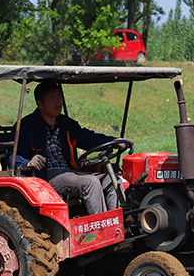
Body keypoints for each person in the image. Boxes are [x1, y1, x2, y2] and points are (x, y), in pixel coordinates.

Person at [14, 81, 118, 215]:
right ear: (40, 104)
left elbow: (88, 138)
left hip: (69, 172)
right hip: (44, 175)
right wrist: (28, 162)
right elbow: (13, 157)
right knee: (90, 182)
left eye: (60, 97)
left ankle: (116, 221)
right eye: (53, 98)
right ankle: (101, 226)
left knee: (111, 180)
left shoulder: (65, 124)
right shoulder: (25, 126)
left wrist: (113, 141)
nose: (59, 102)